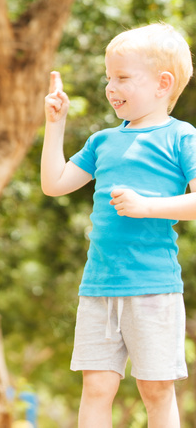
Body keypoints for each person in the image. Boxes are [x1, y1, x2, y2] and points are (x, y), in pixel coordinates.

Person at [41, 23, 196, 428]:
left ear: (163, 83)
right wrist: (55, 125)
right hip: (98, 287)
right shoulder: (102, 141)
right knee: (96, 388)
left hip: (154, 287)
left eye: (123, 77)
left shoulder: (182, 137)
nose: (111, 87)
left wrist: (148, 206)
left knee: (156, 390)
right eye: (109, 77)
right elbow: (54, 184)